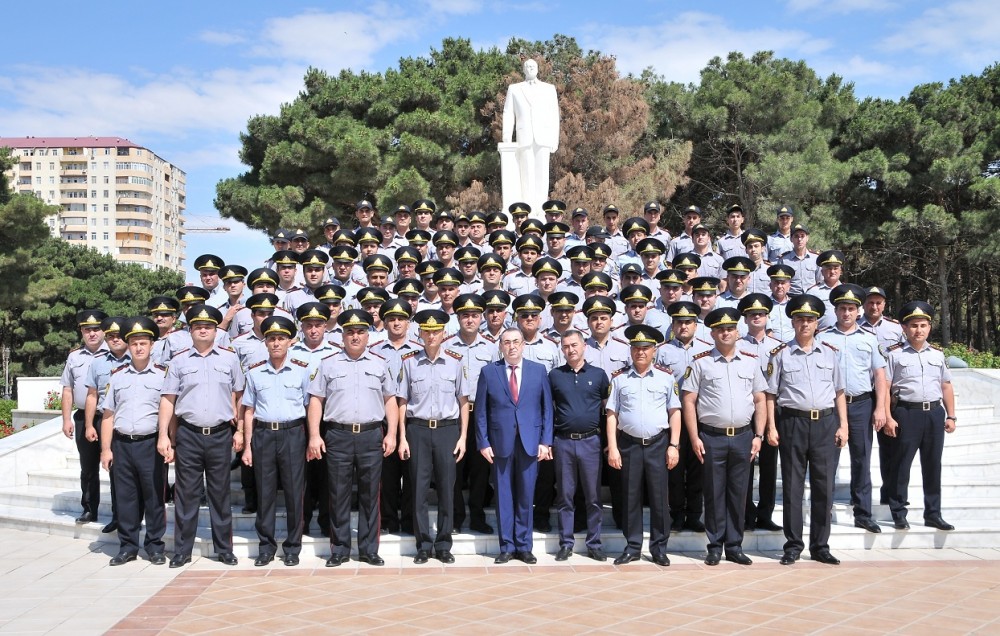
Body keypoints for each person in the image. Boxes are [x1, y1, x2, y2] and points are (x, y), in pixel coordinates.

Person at [307, 310, 398, 567]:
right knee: (338, 494)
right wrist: (314, 435)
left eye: (360, 332)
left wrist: (391, 433)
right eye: (350, 332)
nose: (355, 336)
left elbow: (390, 399)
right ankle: (340, 549)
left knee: (371, 495)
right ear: (343, 335)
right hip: (338, 435)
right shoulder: (328, 363)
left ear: (368, 335)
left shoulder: (380, 363)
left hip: (371, 435)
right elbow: (316, 400)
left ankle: (369, 549)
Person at [158, 305, 245, 568]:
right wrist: (165, 435)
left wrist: (239, 428)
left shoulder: (229, 359)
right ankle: (182, 550)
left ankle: (224, 549)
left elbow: (239, 395)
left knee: (220, 494)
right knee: (186, 495)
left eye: (208, 326)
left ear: (215, 331)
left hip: (219, 434)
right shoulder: (179, 361)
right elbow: (168, 400)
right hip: (188, 434)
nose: (203, 329)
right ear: (191, 330)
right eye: (198, 326)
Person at [765, 295, 847, 566]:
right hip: (792, 423)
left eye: (810, 320)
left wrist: (843, 425)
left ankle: (821, 546)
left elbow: (839, 392)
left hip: (825, 424)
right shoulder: (780, 355)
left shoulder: (830, 354)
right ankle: (793, 545)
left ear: (817, 324)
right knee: (792, 486)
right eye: (800, 319)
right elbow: (770, 396)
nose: (805, 324)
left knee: (824, 487)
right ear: (793, 322)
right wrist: (771, 426)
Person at [681, 307, 766, 566]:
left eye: (730, 328)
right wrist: (694, 437)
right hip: (712, 437)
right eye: (720, 329)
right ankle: (715, 545)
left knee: (739, 493)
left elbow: (760, 399)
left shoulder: (751, 362)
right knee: (714, 493)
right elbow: (688, 400)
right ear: (712, 333)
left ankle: (734, 546)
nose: (725, 333)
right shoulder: (700, 362)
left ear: (737, 332)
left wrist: (759, 435)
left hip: (743, 437)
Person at [397, 309, 469, 564]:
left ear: (444, 333)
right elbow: (402, 401)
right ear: (419, 333)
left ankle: (444, 544)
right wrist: (402, 437)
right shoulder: (408, 362)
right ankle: (423, 544)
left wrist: (462, 437)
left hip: (448, 430)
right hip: (417, 430)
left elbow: (463, 401)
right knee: (418, 489)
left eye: (436, 331)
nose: (431, 336)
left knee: (447, 489)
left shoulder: (455, 361)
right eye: (426, 331)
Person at [476, 327, 554, 564]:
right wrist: (483, 442)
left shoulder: (538, 371)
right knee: (503, 497)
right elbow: (481, 412)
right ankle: (507, 546)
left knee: (525, 496)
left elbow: (547, 409)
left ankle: (524, 545)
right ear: (500, 346)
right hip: (500, 444)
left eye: (516, 342)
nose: (511, 346)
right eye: (507, 342)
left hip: (530, 443)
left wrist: (545, 441)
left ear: (523, 345)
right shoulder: (489, 372)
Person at [606, 324, 681, 566]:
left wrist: (674, 445)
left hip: (658, 444)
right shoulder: (618, 379)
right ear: (631, 351)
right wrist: (613, 447)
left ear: (654, 351)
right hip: (628, 445)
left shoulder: (666, 378)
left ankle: (659, 548)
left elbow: (675, 412)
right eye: (636, 348)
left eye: (646, 348)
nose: (641, 352)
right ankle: (633, 546)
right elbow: (611, 415)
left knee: (660, 498)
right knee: (631, 498)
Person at [816, 284, 888, 533]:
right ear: (835, 311)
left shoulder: (869, 339)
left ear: (858, 311)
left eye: (851, 309)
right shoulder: (822, 337)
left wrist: (881, 408)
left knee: (862, 459)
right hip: (831, 408)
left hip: (861, 405)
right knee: (827, 461)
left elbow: (880, 376)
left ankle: (863, 513)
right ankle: (824, 510)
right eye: (842, 308)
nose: (847, 313)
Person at [240, 315, 310, 567]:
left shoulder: (301, 370)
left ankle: (292, 547)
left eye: (281, 339)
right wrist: (247, 445)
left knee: (293, 492)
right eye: (271, 339)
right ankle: (266, 546)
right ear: (266, 343)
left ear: (290, 342)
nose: (276, 343)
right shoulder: (255, 372)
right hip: (264, 435)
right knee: (265, 493)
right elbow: (248, 410)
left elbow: (308, 406)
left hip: (293, 433)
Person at [98, 316, 168, 566]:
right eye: (134, 343)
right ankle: (127, 546)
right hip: (122, 445)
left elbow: (168, 412)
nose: (139, 348)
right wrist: (106, 449)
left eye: (143, 343)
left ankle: (155, 546)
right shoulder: (117, 376)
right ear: (128, 346)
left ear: (151, 346)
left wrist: (167, 439)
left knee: (153, 498)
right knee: (126, 498)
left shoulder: (163, 376)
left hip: (150, 444)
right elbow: (108, 415)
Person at [884, 301, 957, 532]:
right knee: (901, 464)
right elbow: (885, 388)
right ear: (904, 328)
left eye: (923, 325)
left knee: (933, 465)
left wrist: (951, 416)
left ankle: (933, 513)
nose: (919, 330)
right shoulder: (894, 355)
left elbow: (946, 386)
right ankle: (898, 512)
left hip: (934, 414)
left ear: (930, 327)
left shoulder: (937, 354)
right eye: (914, 325)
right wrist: (887, 416)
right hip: (906, 413)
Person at [548, 330, 610, 561]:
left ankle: (594, 543)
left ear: (584, 346)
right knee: (565, 496)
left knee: (593, 496)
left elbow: (608, 409)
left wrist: (607, 441)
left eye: (574, 345)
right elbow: (548, 409)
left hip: (591, 441)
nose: (570, 350)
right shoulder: (554, 376)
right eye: (565, 346)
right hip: (563, 441)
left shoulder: (599, 374)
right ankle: (566, 542)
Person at [448, 294, 499, 534]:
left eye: (475, 315)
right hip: (454, 415)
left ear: (482, 318)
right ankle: (456, 517)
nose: (470, 320)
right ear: (457, 317)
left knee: (480, 469)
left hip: (481, 413)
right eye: (465, 315)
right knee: (455, 469)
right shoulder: (446, 345)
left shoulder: (491, 347)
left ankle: (477, 516)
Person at [737, 293, 783, 532]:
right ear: (745, 319)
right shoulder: (737, 346)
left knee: (769, 465)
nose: (757, 317)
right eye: (752, 314)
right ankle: (746, 513)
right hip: (747, 410)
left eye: (761, 314)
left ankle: (765, 513)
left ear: (767, 317)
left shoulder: (779, 346)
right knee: (745, 463)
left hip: (773, 409)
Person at [60, 310, 109, 527]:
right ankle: (89, 508)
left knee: (116, 466)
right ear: (81, 332)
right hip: (82, 417)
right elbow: (68, 390)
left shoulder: (116, 353)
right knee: (88, 467)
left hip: (108, 417)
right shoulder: (74, 357)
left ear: (104, 331)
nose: (92, 334)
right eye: (87, 330)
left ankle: (120, 512)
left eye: (96, 329)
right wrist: (66, 419)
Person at [83, 315, 128, 534]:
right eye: (110, 336)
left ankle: (134, 516)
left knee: (130, 473)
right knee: (113, 471)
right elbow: (92, 395)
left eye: (119, 335)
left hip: (130, 421)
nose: (115, 340)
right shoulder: (98, 362)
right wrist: (90, 424)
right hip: (105, 421)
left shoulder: (139, 358)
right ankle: (118, 516)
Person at [501, 58, 560, 210]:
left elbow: (554, 115)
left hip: (543, 137)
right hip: (524, 137)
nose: (530, 68)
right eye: (527, 66)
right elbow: (508, 113)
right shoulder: (514, 88)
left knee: (542, 174)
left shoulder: (549, 88)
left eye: (533, 66)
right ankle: (527, 208)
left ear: (538, 68)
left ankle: (541, 209)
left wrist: (555, 139)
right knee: (526, 174)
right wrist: (507, 137)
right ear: (523, 69)